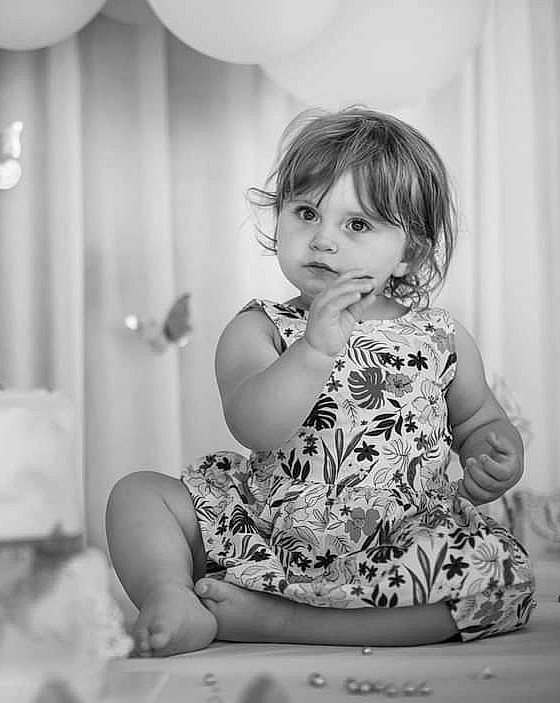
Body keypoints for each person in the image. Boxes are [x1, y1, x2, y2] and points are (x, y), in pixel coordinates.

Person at [105, 107, 535, 657]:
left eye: (357, 225)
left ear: (411, 254)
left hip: (396, 542)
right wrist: (312, 350)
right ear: (278, 219)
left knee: (501, 581)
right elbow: (255, 427)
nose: (323, 240)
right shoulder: (260, 327)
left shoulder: (440, 336)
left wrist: (496, 452)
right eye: (306, 212)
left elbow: (478, 419)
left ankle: (280, 622)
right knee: (138, 495)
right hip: (265, 529)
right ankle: (171, 595)